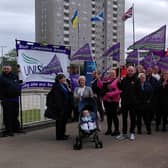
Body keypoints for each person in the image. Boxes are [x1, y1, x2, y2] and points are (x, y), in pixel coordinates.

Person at [117, 66, 141, 141]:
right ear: (127, 71)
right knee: (124, 118)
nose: (130, 72)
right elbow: (121, 88)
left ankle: (132, 133)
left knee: (133, 118)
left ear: (134, 71)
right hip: (124, 102)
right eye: (129, 70)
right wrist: (118, 82)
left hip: (133, 103)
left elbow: (138, 91)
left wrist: (136, 100)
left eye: (131, 70)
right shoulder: (124, 79)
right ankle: (124, 133)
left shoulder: (137, 79)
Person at [47, 74, 72, 140]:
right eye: (63, 78)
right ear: (59, 79)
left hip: (66, 106)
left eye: (64, 78)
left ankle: (63, 133)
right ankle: (59, 136)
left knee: (64, 121)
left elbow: (68, 93)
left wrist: (68, 86)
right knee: (59, 122)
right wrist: (59, 107)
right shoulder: (56, 86)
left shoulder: (64, 85)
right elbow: (57, 98)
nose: (64, 79)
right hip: (60, 107)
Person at [0, 65, 22, 137]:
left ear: (10, 69)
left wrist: (20, 72)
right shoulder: (1, 77)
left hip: (15, 99)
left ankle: (16, 128)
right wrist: (2, 97)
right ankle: (8, 130)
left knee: (15, 114)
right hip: (6, 99)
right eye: (5, 69)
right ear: (3, 69)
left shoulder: (15, 76)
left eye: (7, 68)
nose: (6, 70)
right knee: (7, 115)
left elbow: (20, 82)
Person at [102, 69, 121, 136]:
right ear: (109, 74)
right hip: (107, 101)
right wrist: (106, 94)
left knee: (114, 115)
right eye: (111, 73)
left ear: (115, 74)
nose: (112, 74)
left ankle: (117, 130)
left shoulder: (118, 81)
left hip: (114, 101)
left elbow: (120, 90)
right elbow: (103, 90)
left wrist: (111, 96)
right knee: (108, 116)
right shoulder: (106, 81)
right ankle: (109, 129)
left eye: (113, 73)